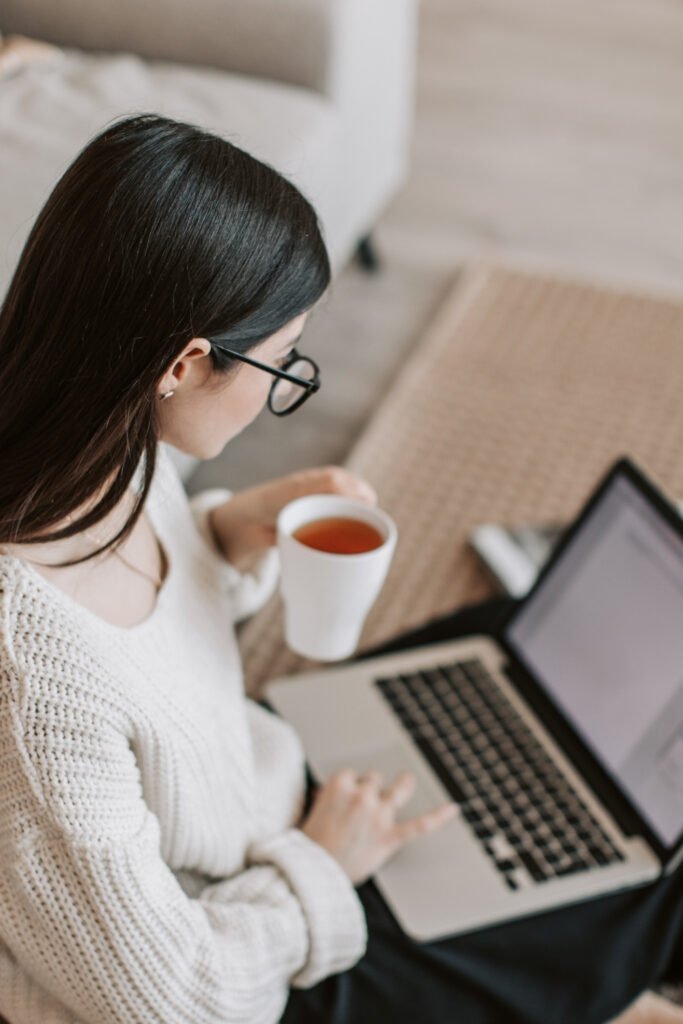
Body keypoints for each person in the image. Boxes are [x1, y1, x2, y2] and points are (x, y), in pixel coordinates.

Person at [0, 114, 680, 1024]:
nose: (281, 393)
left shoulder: (86, 438)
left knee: (501, 652)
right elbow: (174, 1001)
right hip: (253, 945)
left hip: (260, 788)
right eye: (281, 365)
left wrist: (229, 535)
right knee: (648, 878)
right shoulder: (34, 689)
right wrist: (322, 863)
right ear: (186, 363)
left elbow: (135, 626)